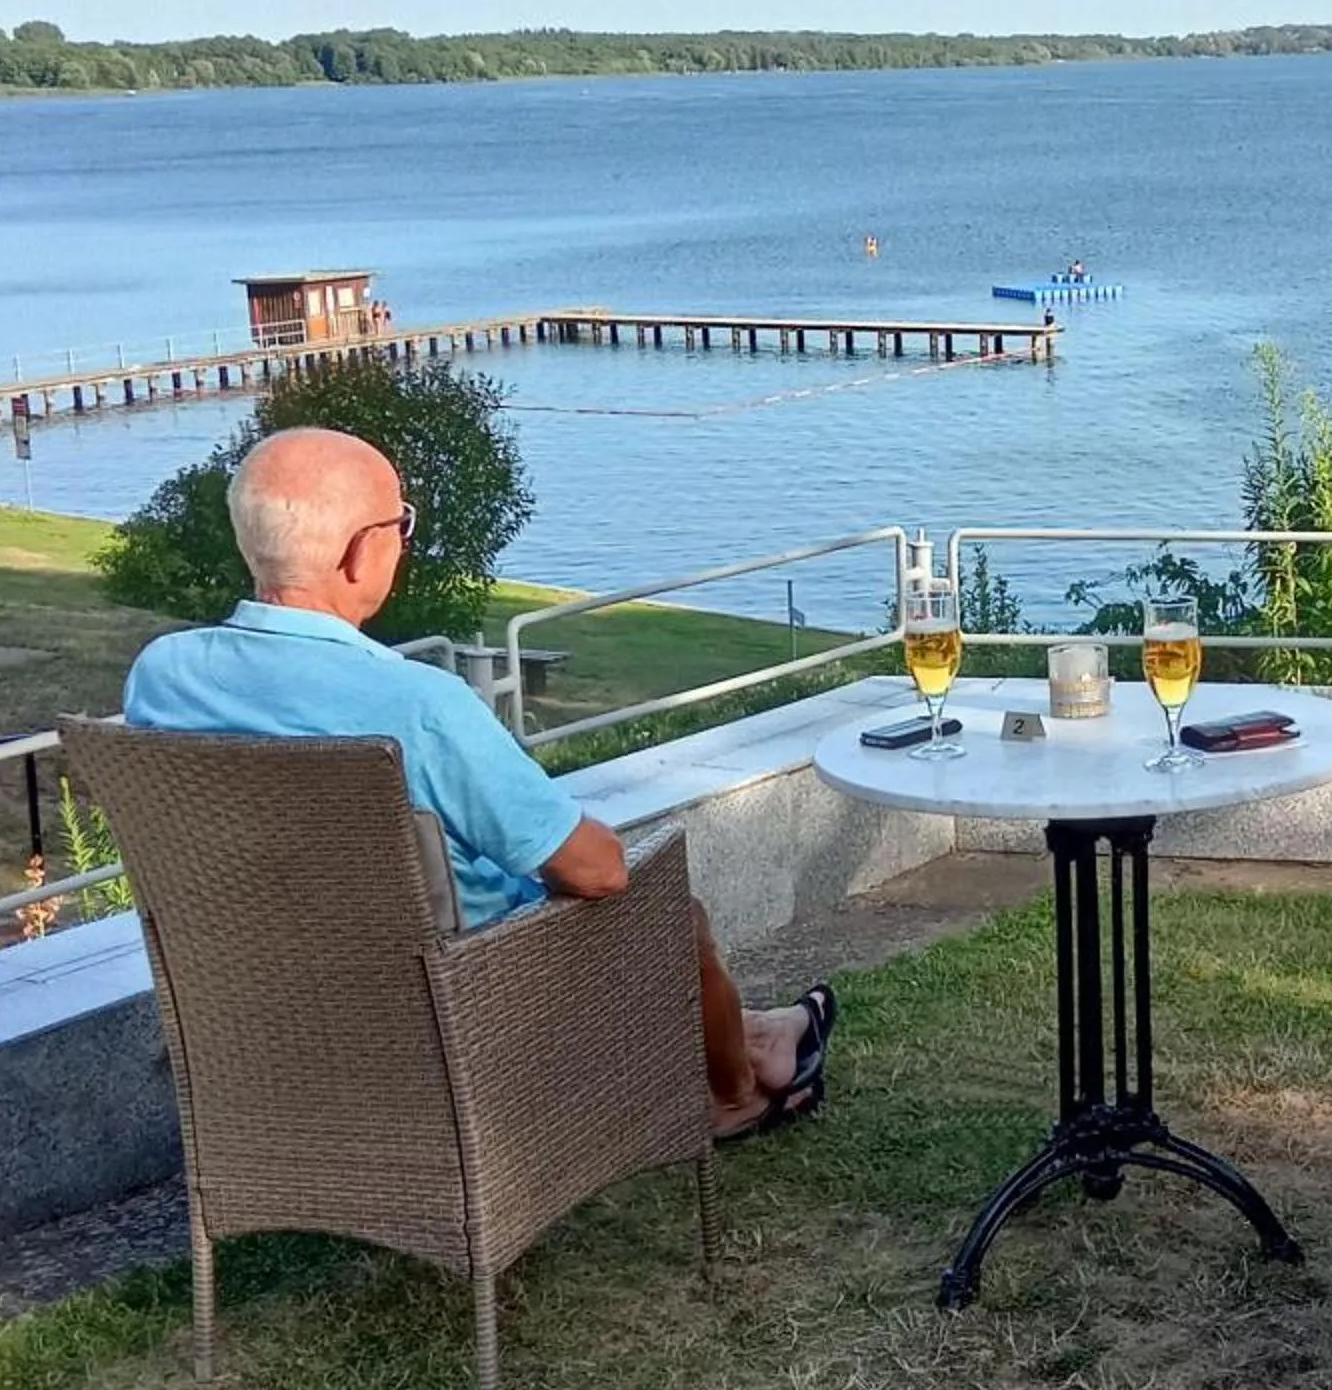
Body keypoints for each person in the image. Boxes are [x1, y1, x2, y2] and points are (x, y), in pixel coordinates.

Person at [123, 427, 829, 1137]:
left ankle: (758, 1032)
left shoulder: (163, 675)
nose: (404, 539)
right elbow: (598, 872)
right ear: (358, 554)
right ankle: (736, 1094)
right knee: (677, 913)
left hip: (271, 1000)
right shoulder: (416, 705)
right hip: (458, 1001)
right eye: (400, 523)